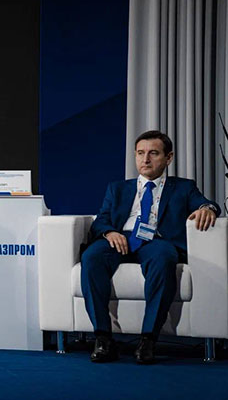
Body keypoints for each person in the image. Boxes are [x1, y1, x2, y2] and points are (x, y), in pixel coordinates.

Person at [81, 130, 220, 364]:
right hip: (120, 238)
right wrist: (110, 232)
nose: (145, 159)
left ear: (168, 157)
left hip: (156, 241)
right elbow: (102, 219)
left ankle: (148, 339)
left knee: (164, 257)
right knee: (91, 257)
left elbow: (207, 204)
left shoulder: (183, 187)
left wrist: (207, 209)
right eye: (140, 153)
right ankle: (103, 338)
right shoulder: (118, 188)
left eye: (153, 153)